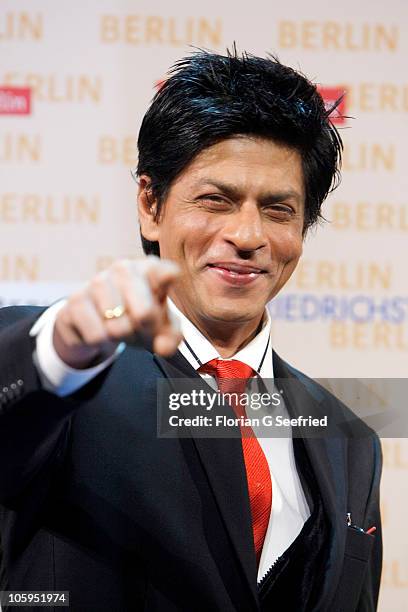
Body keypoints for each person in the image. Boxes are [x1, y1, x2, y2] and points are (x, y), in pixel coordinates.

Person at [0, 49, 381, 611]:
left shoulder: (350, 441)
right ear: (150, 205)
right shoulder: (72, 375)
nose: (248, 235)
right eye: (216, 200)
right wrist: (63, 347)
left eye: (278, 210)